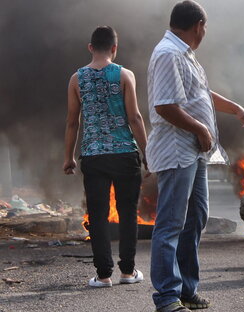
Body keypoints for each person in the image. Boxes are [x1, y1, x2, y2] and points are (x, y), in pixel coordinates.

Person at [147, 1, 244, 311]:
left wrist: (237, 110)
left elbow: (201, 94)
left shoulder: (185, 56)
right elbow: (165, 105)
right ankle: (167, 297)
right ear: (198, 26)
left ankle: (186, 289)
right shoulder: (168, 54)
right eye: (204, 27)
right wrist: (200, 129)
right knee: (170, 224)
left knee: (196, 217)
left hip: (193, 153)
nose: (205, 32)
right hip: (176, 150)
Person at [63, 26, 148, 288]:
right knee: (127, 212)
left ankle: (103, 275)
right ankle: (128, 272)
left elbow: (72, 122)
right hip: (124, 154)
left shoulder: (77, 79)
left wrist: (69, 157)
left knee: (98, 215)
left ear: (90, 47)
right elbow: (134, 117)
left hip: (93, 156)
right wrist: (148, 154)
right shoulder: (125, 75)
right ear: (114, 48)